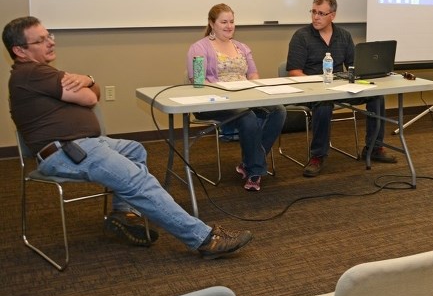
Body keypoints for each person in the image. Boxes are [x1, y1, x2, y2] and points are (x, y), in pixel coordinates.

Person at [3, 16, 253, 259]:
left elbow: (94, 91)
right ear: (20, 50)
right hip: (66, 151)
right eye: (41, 40)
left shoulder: (41, 72)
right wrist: (88, 84)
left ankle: (122, 215)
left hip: (83, 145)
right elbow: (90, 98)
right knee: (139, 182)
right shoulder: (31, 73)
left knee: (134, 149)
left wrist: (88, 80)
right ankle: (204, 239)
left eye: (49, 36)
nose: (50, 42)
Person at [286, 0, 397, 177]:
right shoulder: (301, 36)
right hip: (314, 89)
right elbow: (294, 71)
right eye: (313, 12)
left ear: (333, 15)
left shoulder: (344, 36)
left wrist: (357, 76)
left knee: (377, 96)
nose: (316, 17)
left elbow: (354, 66)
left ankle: (374, 148)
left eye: (321, 13)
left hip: (340, 87)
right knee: (324, 103)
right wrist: (318, 85)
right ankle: (318, 156)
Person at [186, 3, 286, 191]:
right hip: (214, 102)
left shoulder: (242, 47)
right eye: (223, 22)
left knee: (278, 111)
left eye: (232, 21)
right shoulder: (198, 48)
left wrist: (252, 88)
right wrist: (224, 91)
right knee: (246, 116)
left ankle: (249, 164)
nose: (229, 26)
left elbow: (254, 75)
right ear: (212, 23)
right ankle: (255, 172)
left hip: (245, 98)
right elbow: (198, 82)